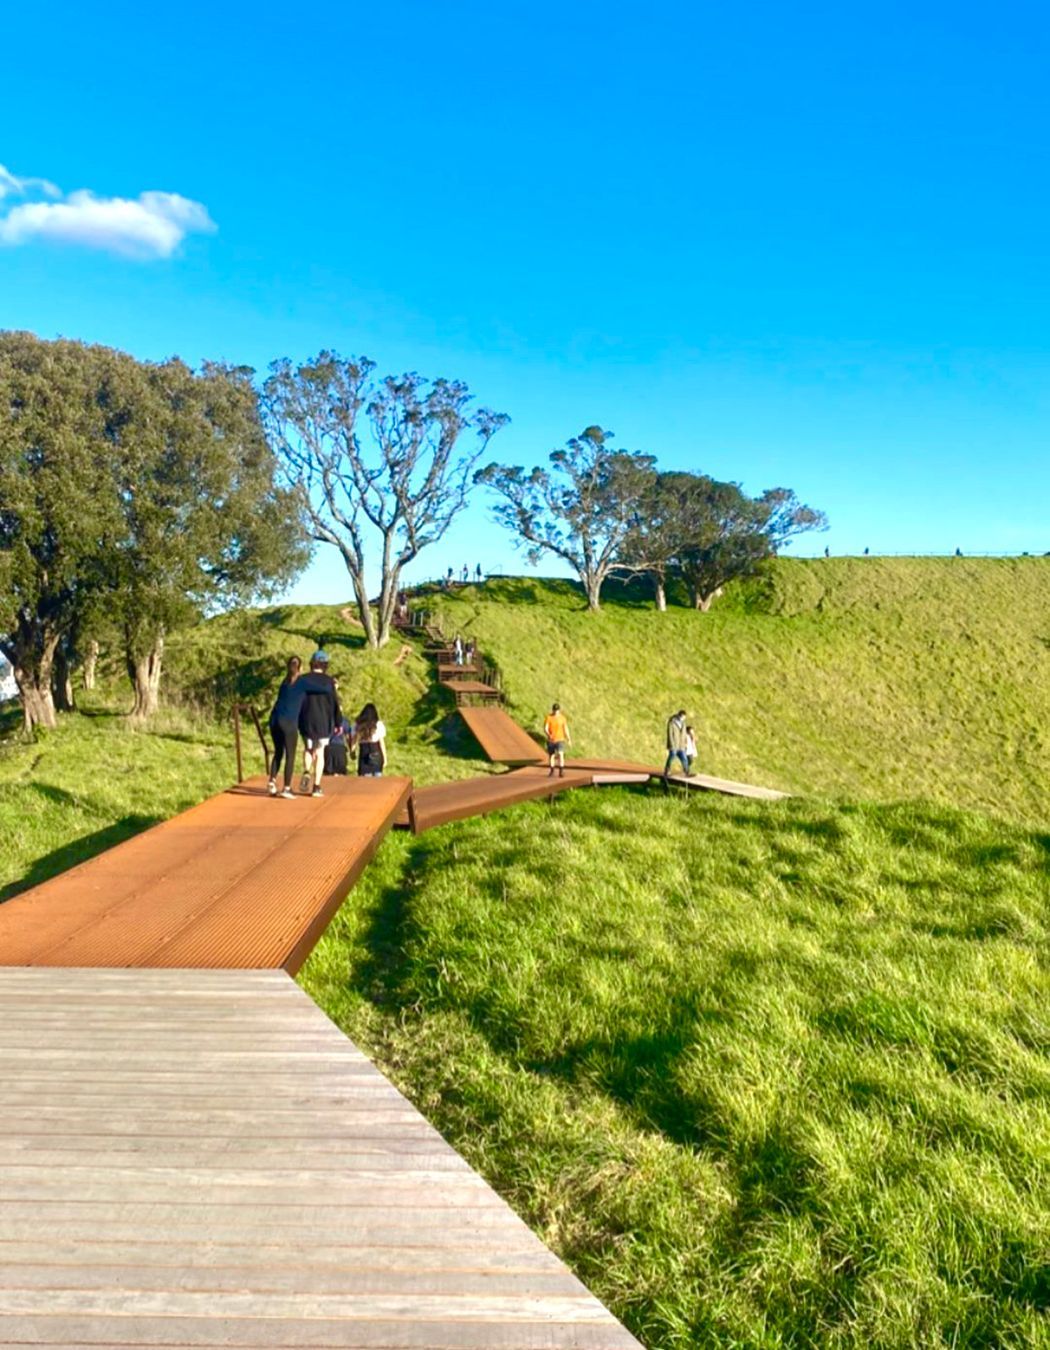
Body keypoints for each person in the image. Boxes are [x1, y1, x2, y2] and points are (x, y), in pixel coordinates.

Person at [298, 650, 340, 797]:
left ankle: (306, 770)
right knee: (320, 752)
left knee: (308, 748)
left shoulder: (302, 679)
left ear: (312, 664)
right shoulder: (329, 682)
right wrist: (338, 722)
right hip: (324, 721)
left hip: (306, 720)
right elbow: (335, 703)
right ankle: (316, 786)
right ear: (325, 665)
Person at [352, 702, 387, 778]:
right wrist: (385, 758)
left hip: (363, 753)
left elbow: (354, 741)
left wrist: (352, 752)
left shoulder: (358, 725)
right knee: (377, 778)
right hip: (376, 752)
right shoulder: (378, 724)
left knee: (364, 781)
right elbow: (381, 743)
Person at [543, 702, 571, 777]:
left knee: (560, 754)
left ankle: (561, 771)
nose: (556, 712)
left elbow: (565, 728)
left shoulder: (562, 718)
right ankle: (552, 770)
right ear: (553, 710)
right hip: (551, 740)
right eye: (555, 710)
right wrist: (549, 734)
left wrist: (568, 738)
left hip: (560, 739)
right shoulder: (549, 718)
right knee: (551, 755)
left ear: (559, 710)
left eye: (557, 710)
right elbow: (545, 728)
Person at [664, 709, 692, 778]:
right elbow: (670, 734)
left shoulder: (683, 724)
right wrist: (671, 745)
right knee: (672, 756)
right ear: (679, 715)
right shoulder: (672, 723)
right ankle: (667, 770)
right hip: (674, 745)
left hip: (681, 745)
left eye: (684, 718)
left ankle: (686, 771)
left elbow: (684, 734)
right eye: (682, 717)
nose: (683, 719)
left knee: (684, 758)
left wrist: (685, 743)